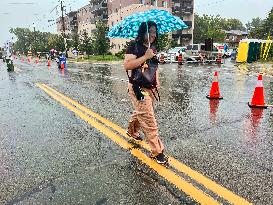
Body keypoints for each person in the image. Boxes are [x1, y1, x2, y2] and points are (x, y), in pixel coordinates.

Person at [124, 21, 167, 164]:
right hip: (137, 87)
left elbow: (154, 67)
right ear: (143, 32)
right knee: (149, 119)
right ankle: (157, 152)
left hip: (149, 86)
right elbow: (127, 65)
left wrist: (157, 81)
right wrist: (145, 57)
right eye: (150, 32)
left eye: (155, 32)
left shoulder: (152, 48)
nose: (153, 35)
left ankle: (131, 131)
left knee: (141, 112)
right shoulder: (134, 46)